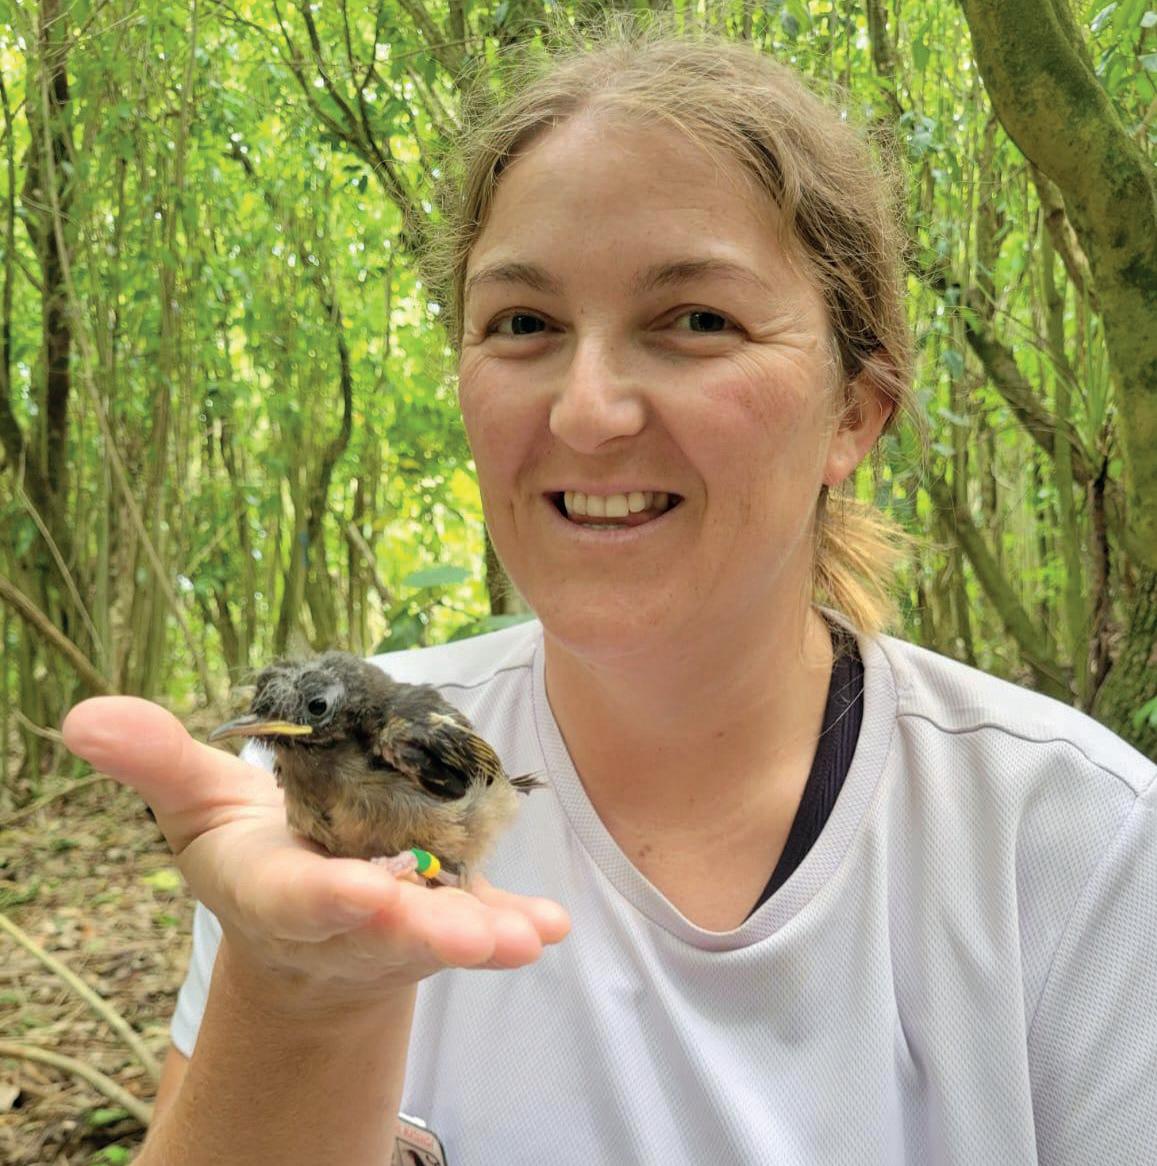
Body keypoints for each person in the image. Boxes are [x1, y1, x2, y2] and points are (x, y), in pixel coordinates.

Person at [63, 28, 1156, 1166]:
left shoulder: (1080, 846)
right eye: (523, 324)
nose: (586, 413)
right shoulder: (294, 824)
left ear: (852, 412)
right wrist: (300, 990)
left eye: (697, 320)